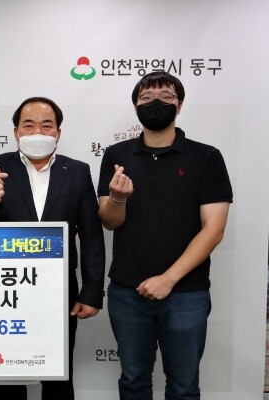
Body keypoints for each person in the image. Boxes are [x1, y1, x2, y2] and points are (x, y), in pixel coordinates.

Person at [97, 71, 233, 400]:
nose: (155, 103)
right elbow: (109, 221)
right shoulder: (117, 156)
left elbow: (214, 229)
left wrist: (168, 279)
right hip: (127, 292)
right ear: (135, 107)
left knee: (184, 387)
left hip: (186, 293)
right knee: (133, 380)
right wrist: (118, 198)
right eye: (146, 98)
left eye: (166, 97)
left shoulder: (206, 157)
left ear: (179, 105)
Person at [0, 97, 105, 400]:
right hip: (6, 288)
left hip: (60, 290)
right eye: (28, 125)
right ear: (16, 132)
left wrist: (91, 292)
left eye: (46, 125)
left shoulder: (77, 171)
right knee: (8, 375)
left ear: (58, 133)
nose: (38, 132)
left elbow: (91, 236)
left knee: (58, 374)